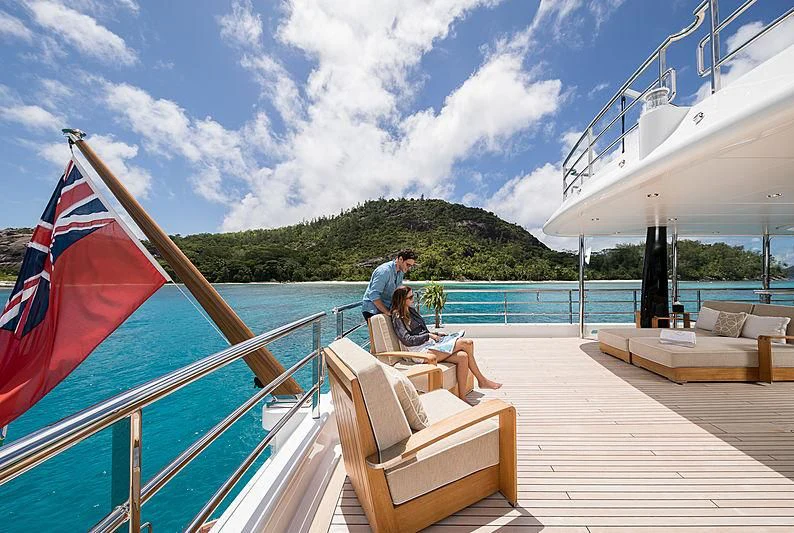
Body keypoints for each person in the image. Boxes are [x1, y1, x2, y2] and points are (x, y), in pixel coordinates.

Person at [390, 285, 502, 399]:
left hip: (430, 345)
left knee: (463, 356)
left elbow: (423, 331)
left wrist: (436, 335)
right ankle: (482, 380)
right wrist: (428, 336)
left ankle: (462, 397)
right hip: (420, 353)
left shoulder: (411, 311)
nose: (413, 299)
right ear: (402, 300)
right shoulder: (397, 316)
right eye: (410, 297)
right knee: (466, 343)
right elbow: (407, 340)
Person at [361, 249, 418, 321]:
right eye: (408, 265)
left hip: (386, 308)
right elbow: (374, 295)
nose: (409, 268)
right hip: (373, 310)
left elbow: (397, 293)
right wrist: (388, 312)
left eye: (411, 266)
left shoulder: (401, 272)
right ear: (400, 259)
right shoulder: (384, 272)